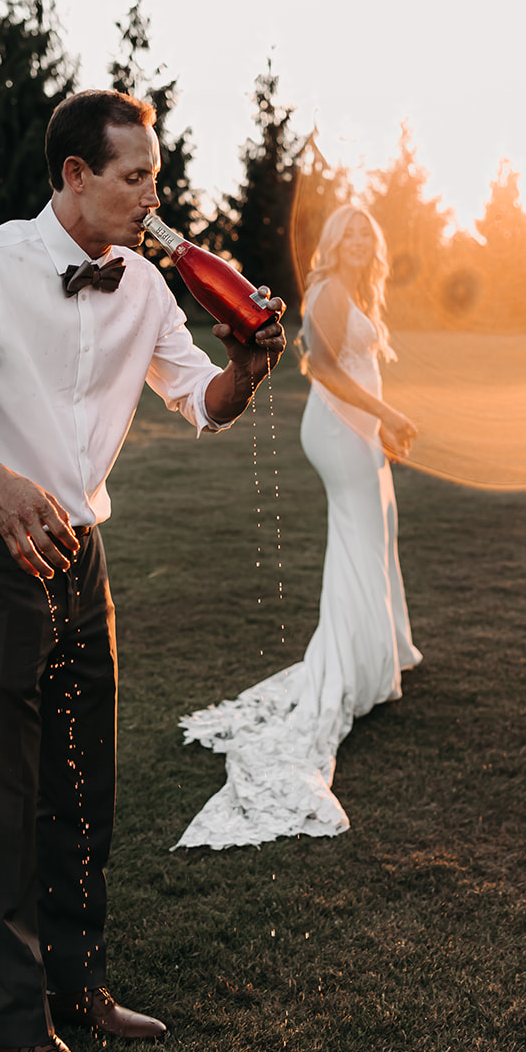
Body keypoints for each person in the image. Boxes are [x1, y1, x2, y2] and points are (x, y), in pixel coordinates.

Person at [0, 89, 285, 1052]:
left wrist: (247, 369)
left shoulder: (147, 285)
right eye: (134, 176)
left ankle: (79, 982)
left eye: (155, 174)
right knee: (1, 801)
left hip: (80, 558)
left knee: (82, 781)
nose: (153, 193)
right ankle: (14, 1031)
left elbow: (200, 403)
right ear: (75, 176)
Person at [174, 203, 420, 849]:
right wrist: (387, 415)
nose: (363, 239)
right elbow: (326, 369)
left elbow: (355, 368)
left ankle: (380, 654)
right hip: (339, 432)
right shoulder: (328, 290)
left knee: (374, 536)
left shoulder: (355, 289)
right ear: (334, 243)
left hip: (358, 430)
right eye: (351, 231)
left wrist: (382, 427)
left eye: (370, 230)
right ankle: (353, 671)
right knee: (360, 539)